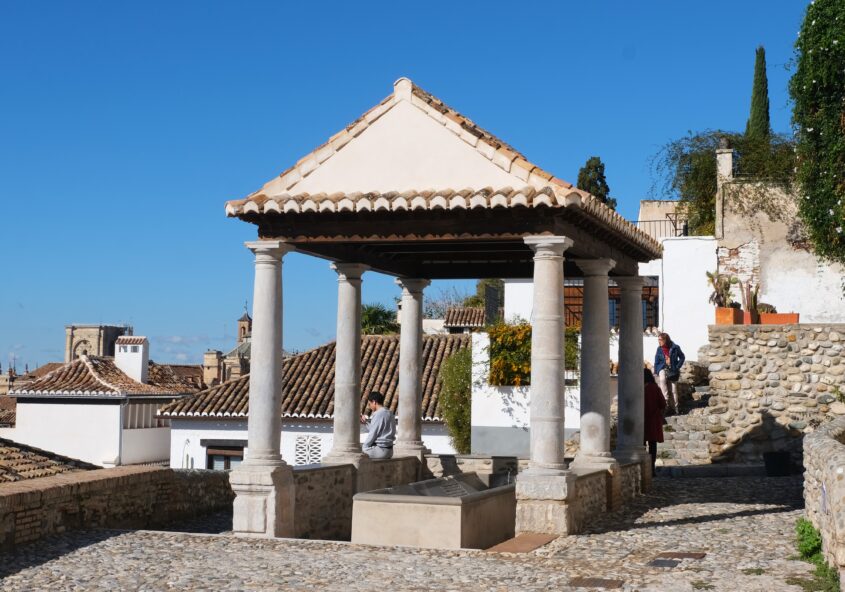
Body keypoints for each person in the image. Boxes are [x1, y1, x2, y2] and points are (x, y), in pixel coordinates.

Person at [654, 332, 685, 415]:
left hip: (673, 370)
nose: (659, 341)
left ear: (665, 340)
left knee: (674, 390)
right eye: (658, 340)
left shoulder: (675, 347)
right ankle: (665, 401)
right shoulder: (659, 349)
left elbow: (682, 357)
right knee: (662, 379)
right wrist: (656, 371)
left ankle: (675, 408)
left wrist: (677, 366)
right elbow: (656, 361)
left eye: (660, 340)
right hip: (662, 368)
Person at [643, 368, 667, 474]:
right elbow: (662, 403)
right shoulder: (655, 388)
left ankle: (642, 468)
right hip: (653, 419)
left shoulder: (639, 388)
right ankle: (651, 469)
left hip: (642, 420)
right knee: (652, 445)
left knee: (641, 445)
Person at [361, 391, 395, 459]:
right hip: (390, 451)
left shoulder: (378, 414)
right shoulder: (389, 413)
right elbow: (378, 430)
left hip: (381, 451)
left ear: (374, 402)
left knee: (355, 451)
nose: (370, 406)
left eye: (370, 404)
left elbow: (373, 434)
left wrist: (364, 447)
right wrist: (366, 423)